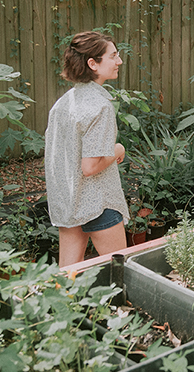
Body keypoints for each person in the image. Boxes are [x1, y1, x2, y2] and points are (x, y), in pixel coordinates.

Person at [45, 31, 128, 268]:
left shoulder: (63, 103)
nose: (119, 61)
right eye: (113, 56)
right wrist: (118, 149)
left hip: (69, 201)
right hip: (98, 204)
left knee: (68, 276)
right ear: (93, 63)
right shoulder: (100, 106)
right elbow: (90, 167)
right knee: (121, 274)